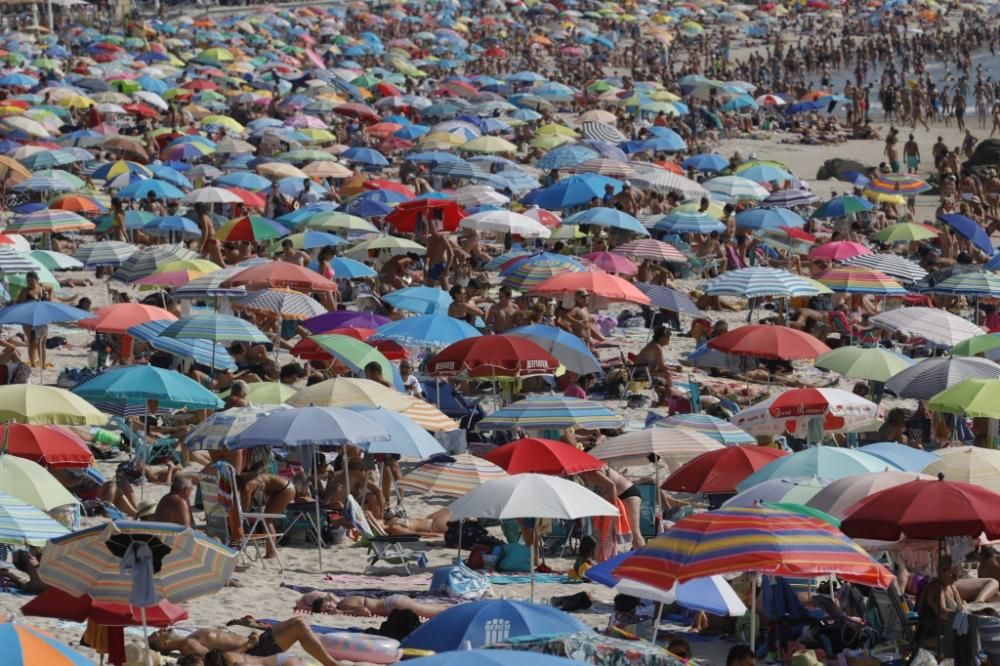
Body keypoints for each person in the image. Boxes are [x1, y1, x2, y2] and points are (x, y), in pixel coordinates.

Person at [148, 618, 338, 666]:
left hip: (255, 643)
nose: (161, 630)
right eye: (158, 634)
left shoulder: (189, 637)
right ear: (164, 646)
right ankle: (331, 664)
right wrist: (248, 645)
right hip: (255, 651)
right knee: (298, 625)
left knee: (297, 621)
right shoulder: (188, 646)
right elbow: (219, 660)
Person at [238, 472, 295, 559]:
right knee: (267, 520)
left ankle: (271, 553)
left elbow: (243, 510)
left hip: (285, 489)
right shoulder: (247, 479)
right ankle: (271, 552)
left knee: (267, 520)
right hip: (285, 487)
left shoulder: (247, 486)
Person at [295, 590, 448, 618]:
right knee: (434, 610)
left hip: (392, 605)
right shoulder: (342, 602)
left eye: (328, 606)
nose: (330, 609)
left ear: (329, 601)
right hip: (392, 603)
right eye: (326, 611)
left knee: (435, 613)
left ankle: (463, 611)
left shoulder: (342, 605)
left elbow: (365, 611)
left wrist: (340, 613)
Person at [16, 271, 54, 369]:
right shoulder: (25, 291)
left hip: (41, 317)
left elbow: (51, 288)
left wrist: (49, 298)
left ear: (37, 280)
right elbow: (18, 304)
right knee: (33, 342)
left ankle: (43, 364)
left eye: (31, 280)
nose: (29, 283)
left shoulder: (42, 287)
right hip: (28, 319)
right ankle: (32, 363)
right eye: (27, 281)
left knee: (43, 341)